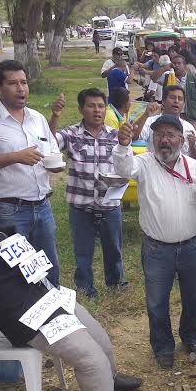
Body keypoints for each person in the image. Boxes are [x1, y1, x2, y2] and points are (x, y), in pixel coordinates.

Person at [0, 174, 143, 391]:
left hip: (48, 299)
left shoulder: (2, 230)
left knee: (100, 337)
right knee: (90, 357)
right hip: (24, 319)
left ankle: (108, 378)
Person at [113, 115, 196, 369]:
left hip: (192, 245)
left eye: (170, 135)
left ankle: (191, 337)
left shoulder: (195, 167)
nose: (164, 140)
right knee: (157, 301)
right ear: (152, 139)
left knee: (194, 297)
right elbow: (123, 170)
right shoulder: (144, 163)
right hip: (157, 249)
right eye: (158, 135)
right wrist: (123, 145)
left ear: (181, 139)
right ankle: (162, 347)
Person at [0, 60, 63, 286]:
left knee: (49, 267)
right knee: (17, 274)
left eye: (24, 82)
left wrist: (55, 164)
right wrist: (15, 157)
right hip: (9, 210)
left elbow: (51, 151)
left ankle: (53, 305)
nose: (21, 89)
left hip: (42, 207)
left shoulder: (37, 119)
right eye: (13, 83)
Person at [47, 88, 128, 300]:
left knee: (114, 249)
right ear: (81, 109)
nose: (97, 110)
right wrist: (55, 116)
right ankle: (85, 289)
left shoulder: (114, 135)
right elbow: (49, 143)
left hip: (109, 205)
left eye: (101, 106)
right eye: (91, 106)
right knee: (82, 252)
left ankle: (116, 283)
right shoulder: (71, 134)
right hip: (81, 206)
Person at [136, 85, 196, 162]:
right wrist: (145, 115)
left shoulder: (188, 127)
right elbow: (134, 136)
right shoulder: (151, 121)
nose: (176, 101)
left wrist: (193, 146)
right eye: (172, 97)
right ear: (163, 101)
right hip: (154, 167)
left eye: (180, 99)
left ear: (184, 104)